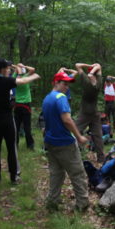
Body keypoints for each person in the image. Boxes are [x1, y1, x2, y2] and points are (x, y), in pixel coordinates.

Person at [0, 59, 40, 184]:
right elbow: (22, 81)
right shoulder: (7, 81)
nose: (9, 70)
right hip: (7, 121)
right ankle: (14, 177)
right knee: (11, 148)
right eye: (8, 68)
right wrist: (35, 76)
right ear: (3, 69)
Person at [42, 71, 90, 211]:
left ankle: (53, 201)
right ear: (56, 82)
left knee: (56, 173)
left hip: (50, 141)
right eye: (64, 83)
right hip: (64, 142)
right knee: (77, 173)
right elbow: (67, 120)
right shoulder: (61, 98)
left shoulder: (47, 98)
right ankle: (82, 204)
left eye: (68, 84)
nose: (67, 87)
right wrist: (79, 136)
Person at [74, 62, 105, 162]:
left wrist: (89, 66)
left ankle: (73, 154)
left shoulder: (86, 82)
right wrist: (95, 67)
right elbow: (99, 67)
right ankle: (101, 157)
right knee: (98, 135)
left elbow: (77, 65)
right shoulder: (99, 83)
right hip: (94, 112)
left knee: (76, 131)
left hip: (85, 112)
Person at [13, 63, 37, 150]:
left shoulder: (15, 77)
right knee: (26, 126)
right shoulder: (25, 77)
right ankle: (29, 145)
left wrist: (17, 67)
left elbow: (32, 69)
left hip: (18, 105)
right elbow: (33, 69)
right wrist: (24, 66)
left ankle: (16, 145)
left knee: (18, 126)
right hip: (24, 105)